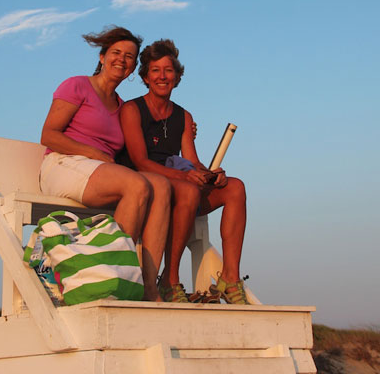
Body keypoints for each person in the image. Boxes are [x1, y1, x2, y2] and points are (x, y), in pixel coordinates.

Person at [40, 26, 170, 301]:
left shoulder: (123, 106)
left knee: (160, 186)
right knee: (136, 185)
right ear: (101, 57)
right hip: (63, 164)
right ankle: (111, 279)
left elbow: (144, 140)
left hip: (100, 172)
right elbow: (48, 134)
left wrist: (183, 128)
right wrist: (92, 152)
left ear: (133, 68)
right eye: (116, 53)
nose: (122, 60)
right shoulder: (77, 85)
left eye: (129, 57)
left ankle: (147, 287)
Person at [118, 39, 249, 304]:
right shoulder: (132, 109)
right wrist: (186, 176)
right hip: (147, 187)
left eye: (168, 70)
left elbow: (191, 162)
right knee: (188, 189)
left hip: (180, 186)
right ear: (145, 77)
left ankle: (230, 278)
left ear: (177, 76)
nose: (162, 76)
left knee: (235, 187)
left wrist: (212, 175)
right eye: (155, 70)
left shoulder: (184, 116)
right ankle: (170, 279)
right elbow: (140, 162)